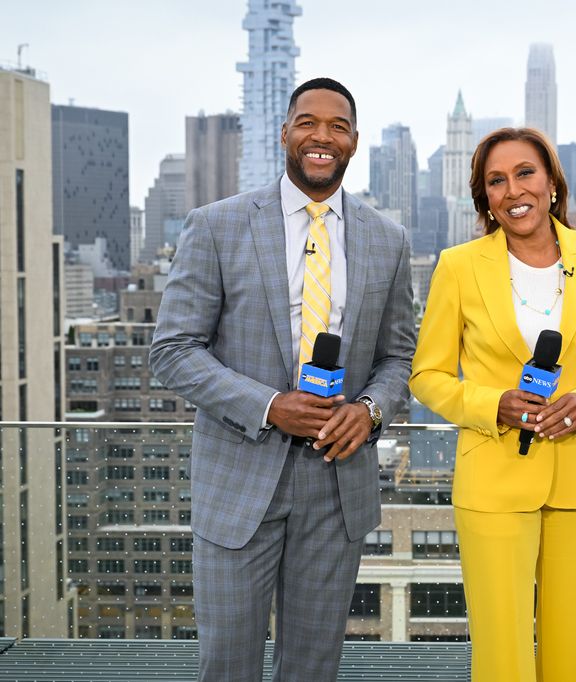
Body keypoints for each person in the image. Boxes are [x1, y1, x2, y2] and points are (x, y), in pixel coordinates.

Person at [150, 77, 414, 681]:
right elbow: (172, 351)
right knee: (228, 665)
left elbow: (400, 357)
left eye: (338, 126)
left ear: (353, 142)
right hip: (240, 480)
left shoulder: (388, 239)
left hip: (337, 485)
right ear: (285, 134)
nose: (322, 136)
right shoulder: (215, 226)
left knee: (313, 668)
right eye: (308, 123)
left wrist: (370, 410)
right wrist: (270, 406)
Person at [409, 127, 576, 681]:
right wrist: (494, 406)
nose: (513, 189)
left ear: (552, 184)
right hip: (493, 483)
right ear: (484, 197)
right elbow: (427, 376)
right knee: (502, 654)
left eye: (525, 173)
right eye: (496, 180)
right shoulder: (458, 266)